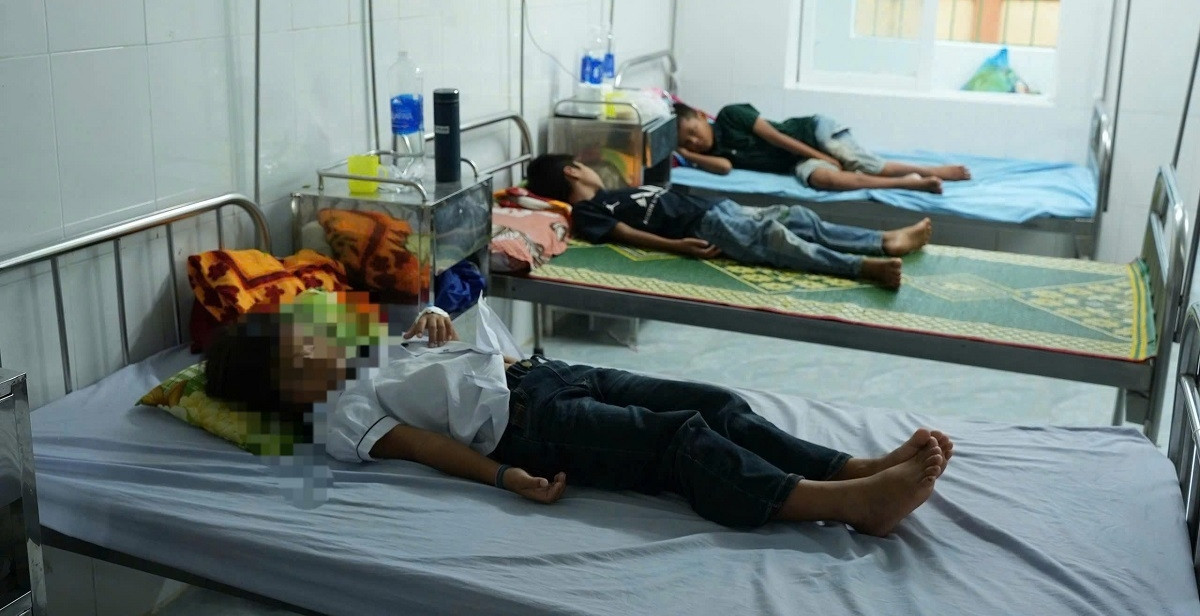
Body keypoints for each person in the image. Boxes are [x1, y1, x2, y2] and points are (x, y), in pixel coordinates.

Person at [204, 304, 954, 536]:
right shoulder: (339, 413)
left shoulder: (364, 354)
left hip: (543, 372)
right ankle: (841, 504)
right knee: (676, 442)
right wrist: (504, 475)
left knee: (713, 402)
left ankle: (847, 467)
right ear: (285, 389)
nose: (318, 343)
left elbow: (438, 354)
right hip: (527, 426)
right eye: (300, 351)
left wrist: (431, 323)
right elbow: (426, 445)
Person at [524, 154, 935, 289]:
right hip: (703, 227)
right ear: (573, 172)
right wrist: (676, 246)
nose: (593, 168)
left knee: (800, 218)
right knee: (777, 241)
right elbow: (625, 233)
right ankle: (864, 267)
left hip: (719, 209)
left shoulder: (612, 194)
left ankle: (883, 240)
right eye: (584, 165)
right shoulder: (587, 211)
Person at [674, 102, 971, 194]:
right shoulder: (711, 155)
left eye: (693, 132)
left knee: (861, 163)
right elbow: (725, 168)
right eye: (687, 142)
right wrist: (687, 155)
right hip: (796, 163)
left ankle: (932, 170)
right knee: (824, 180)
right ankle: (909, 184)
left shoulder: (729, 115)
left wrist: (820, 154)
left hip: (813, 133)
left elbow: (777, 137)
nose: (695, 141)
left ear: (700, 115)